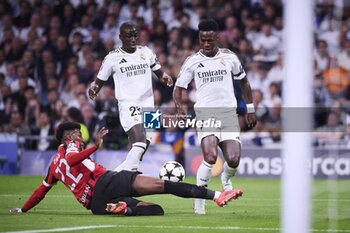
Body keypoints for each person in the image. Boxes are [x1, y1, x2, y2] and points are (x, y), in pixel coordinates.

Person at [9, 122, 243, 216]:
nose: (80, 136)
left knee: (157, 210)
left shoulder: (52, 166)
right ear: (69, 136)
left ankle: (122, 209)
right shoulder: (73, 144)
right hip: (108, 181)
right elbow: (71, 159)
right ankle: (217, 195)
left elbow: (41, 190)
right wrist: (94, 146)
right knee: (165, 186)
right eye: (78, 133)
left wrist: (23, 209)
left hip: (96, 204)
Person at [173, 19, 257, 215]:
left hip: (228, 113)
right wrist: (179, 109)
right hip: (206, 113)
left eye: (210, 40)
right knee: (210, 157)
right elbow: (178, 89)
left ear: (217, 38)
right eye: (203, 40)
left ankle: (226, 179)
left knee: (234, 160)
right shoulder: (192, 61)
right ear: (199, 39)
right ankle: (200, 201)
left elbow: (244, 82)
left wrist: (251, 109)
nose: (207, 44)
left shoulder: (229, 57)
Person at [88, 22, 173, 172]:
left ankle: (121, 175)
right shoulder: (112, 58)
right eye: (129, 36)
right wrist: (95, 88)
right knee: (139, 139)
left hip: (148, 104)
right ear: (121, 37)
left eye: (135, 35)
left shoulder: (146, 52)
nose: (133, 39)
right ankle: (116, 177)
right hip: (129, 104)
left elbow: (159, 72)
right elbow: (99, 80)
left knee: (142, 147)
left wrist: (165, 76)